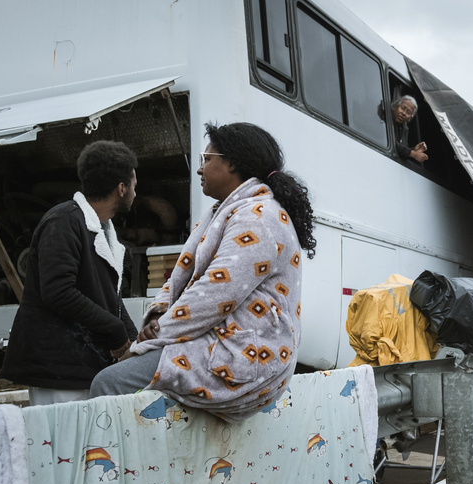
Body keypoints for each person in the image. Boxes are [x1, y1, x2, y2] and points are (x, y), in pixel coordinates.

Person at [91, 122, 317, 422]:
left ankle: (105, 466)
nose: (199, 169)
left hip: (242, 357)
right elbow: (180, 279)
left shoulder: (259, 217)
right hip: (218, 344)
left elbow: (214, 294)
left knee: (108, 382)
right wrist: (158, 316)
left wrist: (144, 343)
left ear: (232, 164)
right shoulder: (226, 211)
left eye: (207, 160)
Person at [0, 141, 138, 405]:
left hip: (82, 365)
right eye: (133, 185)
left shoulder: (101, 228)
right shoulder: (63, 221)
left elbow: (109, 295)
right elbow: (58, 292)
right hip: (58, 368)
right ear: (121, 189)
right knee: (60, 443)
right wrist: (116, 332)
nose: (135, 191)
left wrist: (133, 339)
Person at [390, 96, 429, 163]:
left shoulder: (404, 128)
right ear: (395, 106)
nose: (404, 113)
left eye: (408, 112)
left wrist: (414, 150)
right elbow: (389, 142)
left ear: (410, 118)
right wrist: (413, 153)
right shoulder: (385, 117)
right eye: (402, 108)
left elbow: (400, 150)